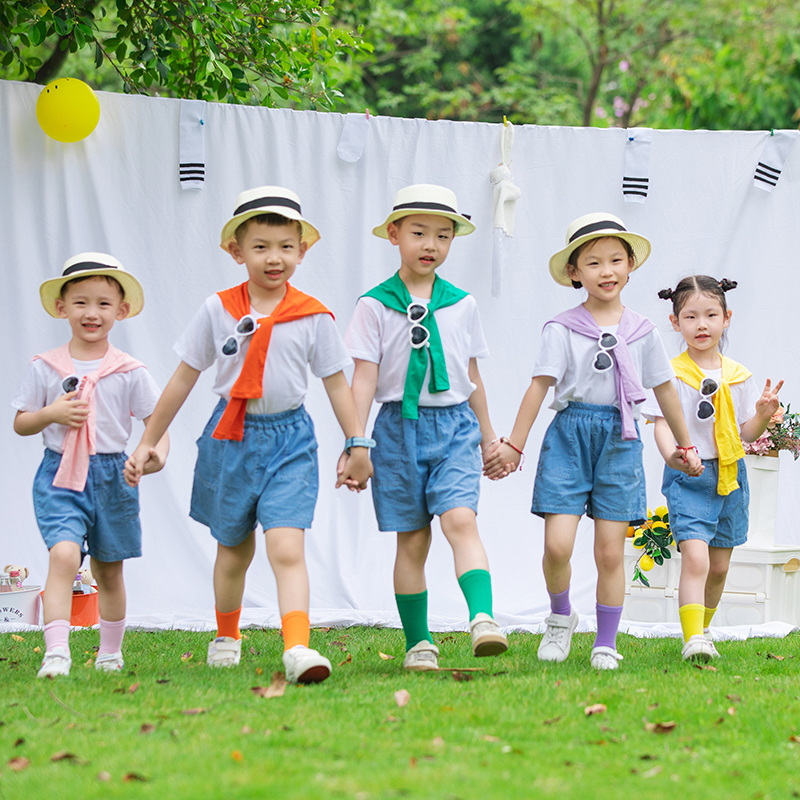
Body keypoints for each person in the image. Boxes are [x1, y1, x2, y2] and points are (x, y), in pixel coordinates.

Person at [124, 186, 372, 684]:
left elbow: (337, 385)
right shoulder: (217, 309)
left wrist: (357, 442)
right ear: (236, 251)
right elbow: (183, 377)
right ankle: (227, 632)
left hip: (290, 442)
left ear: (302, 251)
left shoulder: (313, 315)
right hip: (229, 438)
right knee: (233, 550)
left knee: (286, 546)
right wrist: (150, 438)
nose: (274, 258)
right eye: (260, 246)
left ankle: (298, 647)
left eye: (285, 246)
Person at [484, 213, 702, 670]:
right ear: (574, 272)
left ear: (630, 266)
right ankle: (560, 617)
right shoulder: (561, 328)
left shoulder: (642, 331)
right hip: (570, 437)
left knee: (609, 549)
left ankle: (606, 641)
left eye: (616, 260)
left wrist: (685, 446)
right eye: (594, 262)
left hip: (620, 437)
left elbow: (664, 391)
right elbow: (538, 387)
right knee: (558, 545)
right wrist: (515, 445)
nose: (607, 271)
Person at [344, 184, 508, 671]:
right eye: (418, 233)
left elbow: (470, 375)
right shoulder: (375, 305)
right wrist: (357, 442)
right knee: (412, 539)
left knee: (461, 520)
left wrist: (489, 435)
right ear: (394, 234)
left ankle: (483, 619)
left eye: (443, 235)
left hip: (455, 427)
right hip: (397, 429)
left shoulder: (463, 304)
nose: (430, 245)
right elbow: (364, 380)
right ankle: (419, 643)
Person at [12, 253, 168, 678]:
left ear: (122, 310)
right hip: (59, 474)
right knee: (63, 556)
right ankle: (57, 652)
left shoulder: (130, 371)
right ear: (62, 308)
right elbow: (21, 422)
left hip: (113, 475)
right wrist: (52, 414)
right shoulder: (45, 367)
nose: (91, 312)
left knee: (107, 569)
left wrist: (150, 454)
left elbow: (157, 423)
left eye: (103, 303)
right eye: (80, 302)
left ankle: (110, 652)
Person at [646, 276, 782, 661]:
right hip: (689, 475)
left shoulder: (738, 376)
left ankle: (703, 629)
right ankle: (693, 639)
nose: (701, 324)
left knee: (719, 567)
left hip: (730, 475)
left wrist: (762, 414)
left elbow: (745, 434)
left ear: (727, 318)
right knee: (696, 557)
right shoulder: (670, 374)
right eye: (690, 316)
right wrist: (673, 455)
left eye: (710, 315)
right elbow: (660, 424)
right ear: (675, 323)